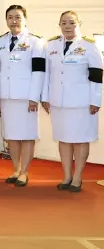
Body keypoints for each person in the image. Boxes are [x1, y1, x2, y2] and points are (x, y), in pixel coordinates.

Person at [42, 10, 102, 192]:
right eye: (64, 23)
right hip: (58, 102)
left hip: (82, 103)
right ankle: (67, 176)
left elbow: (97, 76)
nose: (68, 26)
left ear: (79, 24)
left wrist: (96, 100)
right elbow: (47, 74)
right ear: (59, 25)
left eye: (72, 23)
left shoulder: (89, 46)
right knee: (64, 139)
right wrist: (45, 97)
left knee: (80, 139)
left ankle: (77, 178)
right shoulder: (51, 45)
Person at [0, 5, 45, 188]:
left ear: (25, 19)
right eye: (10, 17)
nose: (14, 20)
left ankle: (24, 172)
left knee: (27, 135)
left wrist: (34, 97)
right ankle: (15, 169)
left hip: (26, 96)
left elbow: (39, 71)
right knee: (12, 135)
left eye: (18, 17)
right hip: (7, 95)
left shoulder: (35, 42)